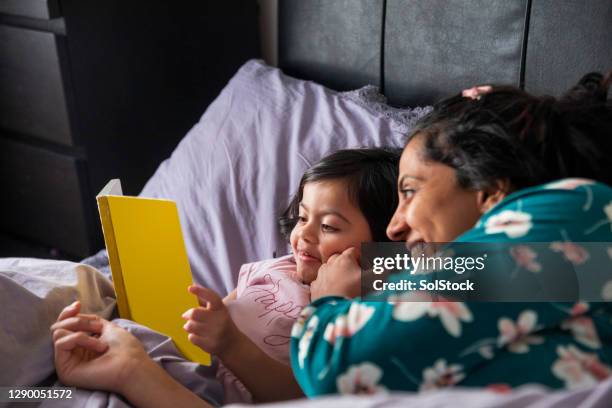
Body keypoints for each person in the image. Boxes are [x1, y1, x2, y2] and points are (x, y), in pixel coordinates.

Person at [293, 71, 612, 395]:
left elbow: (334, 365)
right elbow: (392, 268)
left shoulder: (574, 213)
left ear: (487, 188)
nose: (393, 227)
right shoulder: (560, 252)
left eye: (409, 191)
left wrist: (328, 300)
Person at [50, 148, 401, 406]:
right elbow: (219, 313)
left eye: (328, 226)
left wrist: (230, 343)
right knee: (73, 293)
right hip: (180, 364)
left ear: (382, 244)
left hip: (208, 397)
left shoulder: (364, 312)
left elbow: (304, 396)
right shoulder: (273, 269)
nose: (303, 235)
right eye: (302, 217)